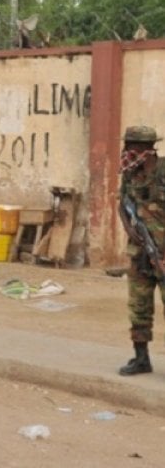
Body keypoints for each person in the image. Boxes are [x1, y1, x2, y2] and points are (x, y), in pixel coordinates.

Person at [118, 125, 165, 376]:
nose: (128, 151)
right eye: (127, 145)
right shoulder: (129, 173)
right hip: (140, 254)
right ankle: (141, 359)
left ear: (147, 149)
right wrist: (129, 230)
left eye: (133, 146)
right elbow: (121, 206)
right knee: (139, 306)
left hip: (163, 252)